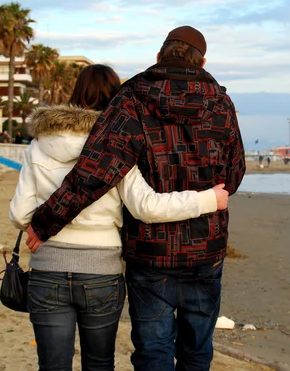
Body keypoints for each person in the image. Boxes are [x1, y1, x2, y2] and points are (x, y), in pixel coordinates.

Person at [27, 26, 246, 371]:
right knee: (197, 350)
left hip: (150, 252)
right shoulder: (221, 102)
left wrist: (44, 222)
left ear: (159, 56)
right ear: (202, 61)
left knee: (153, 349)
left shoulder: (132, 98)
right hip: (206, 247)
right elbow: (234, 174)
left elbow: (98, 169)